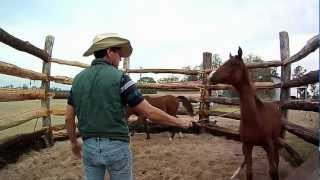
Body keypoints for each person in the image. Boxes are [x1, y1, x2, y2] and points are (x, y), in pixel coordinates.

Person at [65, 33, 194, 180]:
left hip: (89, 147)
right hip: (116, 146)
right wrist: (180, 122)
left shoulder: (78, 80)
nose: (121, 58)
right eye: (119, 53)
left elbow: (69, 117)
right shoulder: (121, 78)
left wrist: (74, 143)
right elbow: (148, 111)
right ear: (109, 52)